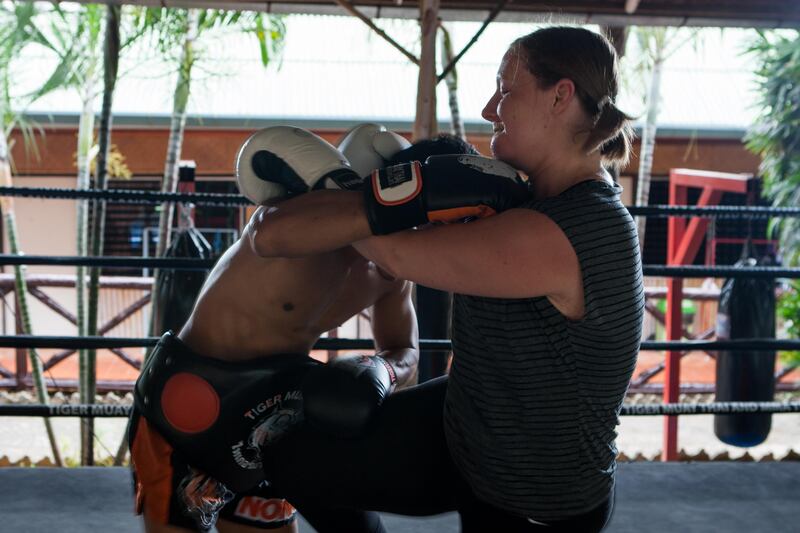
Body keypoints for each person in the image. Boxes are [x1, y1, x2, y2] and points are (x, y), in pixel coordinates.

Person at [248, 26, 644, 532]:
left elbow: (392, 254)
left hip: (535, 491)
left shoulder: (572, 229)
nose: (489, 108)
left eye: (506, 89)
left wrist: (332, 181)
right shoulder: (524, 198)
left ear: (560, 97)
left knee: (301, 459)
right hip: (472, 422)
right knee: (295, 457)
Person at [127, 125, 487, 533]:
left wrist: (378, 370)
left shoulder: (393, 271)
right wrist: (362, 203)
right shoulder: (299, 217)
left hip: (270, 423)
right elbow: (267, 234)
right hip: (189, 406)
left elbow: (405, 349)